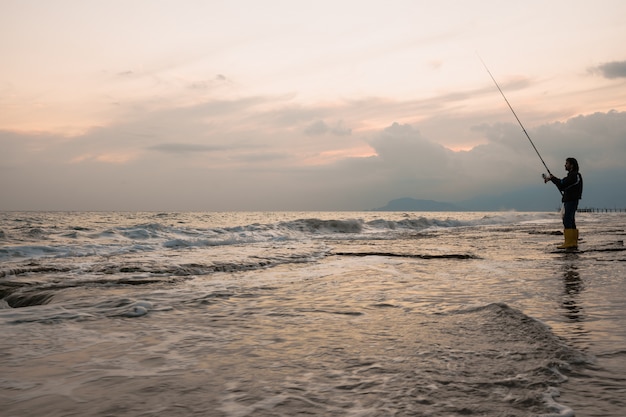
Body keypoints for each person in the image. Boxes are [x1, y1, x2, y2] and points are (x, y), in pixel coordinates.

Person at [544, 157, 583, 248]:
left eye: (566, 163)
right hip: (570, 200)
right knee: (570, 220)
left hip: (571, 200)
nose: (565, 165)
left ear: (572, 165)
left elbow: (563, 183)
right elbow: (562, 186)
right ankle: (573, 242)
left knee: (567, 220)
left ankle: (569, 243)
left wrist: (553, 178)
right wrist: (552, 179)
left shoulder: (574, 175)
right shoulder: (573, 175)